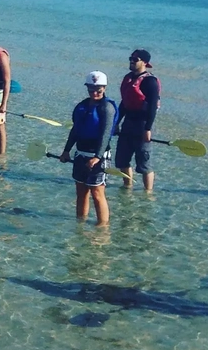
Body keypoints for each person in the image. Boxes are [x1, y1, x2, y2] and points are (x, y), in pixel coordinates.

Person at [60, 71, 116, 226]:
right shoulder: (82, 106)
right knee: (81, 192)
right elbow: (75, 130)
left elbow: (105, 134)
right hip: (81, 153)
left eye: (98, 89)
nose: (95, 92)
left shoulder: (107, 108)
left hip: (98, 156)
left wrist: (97, 157)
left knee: (97, 193)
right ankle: (80, 225)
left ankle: (102, 228)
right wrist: (66, 150)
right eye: (91, 89)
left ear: (104, 88)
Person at [115, 49, 161, 191]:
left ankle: (148, 192)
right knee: (122, 159)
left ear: (145, 62)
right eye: (131, 58)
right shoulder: (128, 78)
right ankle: (127, 186)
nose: (131, 61)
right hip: (128, 122)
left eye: (135, 59)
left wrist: (148, 129)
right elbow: (124, 103)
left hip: (142, 124)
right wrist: (116, 122)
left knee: (144, 162)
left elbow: (152, 106)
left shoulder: (150, 81)